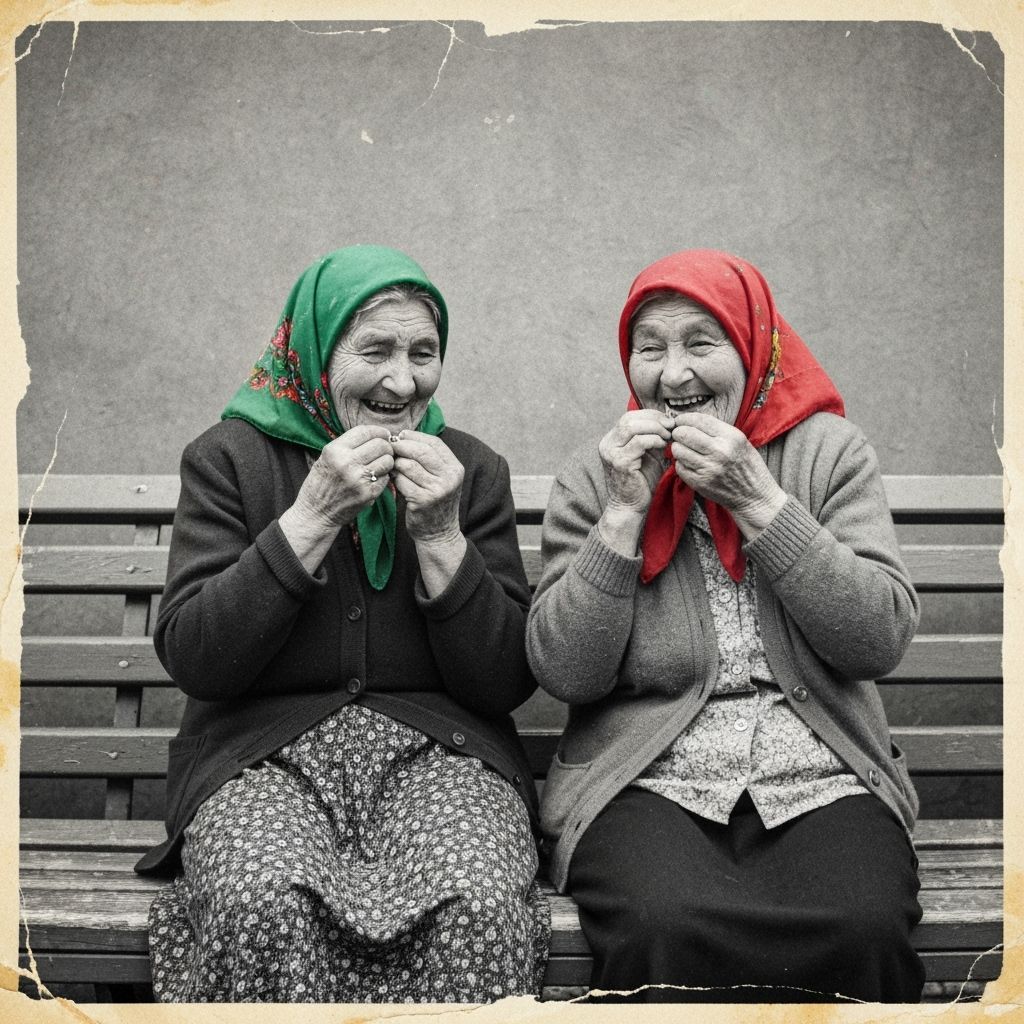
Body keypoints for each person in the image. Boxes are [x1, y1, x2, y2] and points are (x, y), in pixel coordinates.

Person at [135, 245, 549, 1003]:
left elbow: (500, 682)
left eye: (423, 353)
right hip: (262, 759)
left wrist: (440, 536)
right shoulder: (229, 460)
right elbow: (197, 657)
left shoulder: (469, 470)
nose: (403, 381)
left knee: (478, 898)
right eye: (374, 351)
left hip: (443, 757)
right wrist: (313, 517)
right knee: (263, 898)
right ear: (316, 349)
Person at [525, 249, 923, 1003]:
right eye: (650, 348)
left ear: (751, 346)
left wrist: (760, 503)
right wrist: (623, 516)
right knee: (661, 925)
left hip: (824, 774)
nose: (674, 374)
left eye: (701, 343)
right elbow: (567, 672)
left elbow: (878, 638)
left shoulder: (830, 455)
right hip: (646, 777)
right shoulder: (598, 475)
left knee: (863, 925)